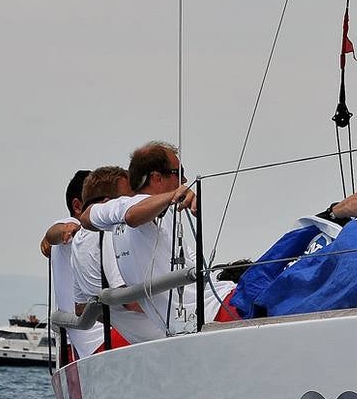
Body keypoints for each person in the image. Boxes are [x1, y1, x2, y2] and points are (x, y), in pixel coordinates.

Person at [84, 141, 236, 334]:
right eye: (178, 172)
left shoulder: (166, 212)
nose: (185, 179)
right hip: (212, 310)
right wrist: (174, 195)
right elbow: (114, 217)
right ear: (156, 178)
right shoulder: (125, 206)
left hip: (219, 298)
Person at [73, 166, 166, 346]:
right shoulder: (109, 232)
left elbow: (81, 308)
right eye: (128, 198)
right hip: (166, 332)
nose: (133, 202)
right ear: (109, 204)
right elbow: (128, 299)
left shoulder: (79, 241)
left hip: (139, 339)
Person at [40, 170, 106, 358]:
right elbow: (56, 230)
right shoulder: (73, 226)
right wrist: (66, 231)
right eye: (102, 200)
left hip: (80, 343)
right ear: (78, 206)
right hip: (97, 340)